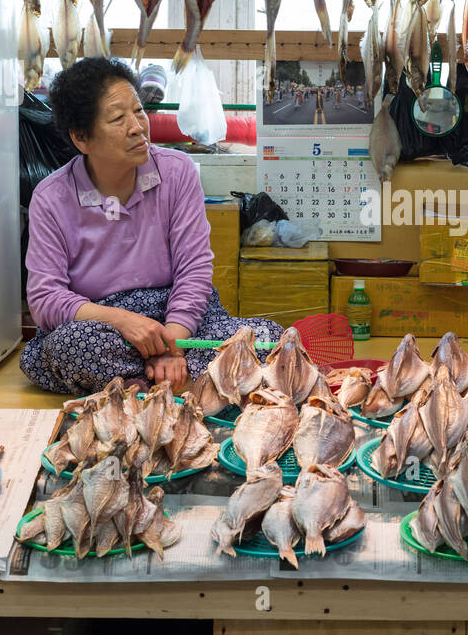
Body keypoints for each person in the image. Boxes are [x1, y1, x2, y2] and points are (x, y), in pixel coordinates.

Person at [21, 57, 283, 395]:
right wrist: (123, 321)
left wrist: (172, 342)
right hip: (103, 325)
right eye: (118, 118)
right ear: (82, 138)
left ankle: (136, 386)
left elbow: (194, 270)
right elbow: (45, 299)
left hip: (178, 315)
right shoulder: (52, 196)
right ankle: (191, 383)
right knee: (72, 347)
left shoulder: (177, 172)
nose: (137, 127)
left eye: (139, 111)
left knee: (269, 340)